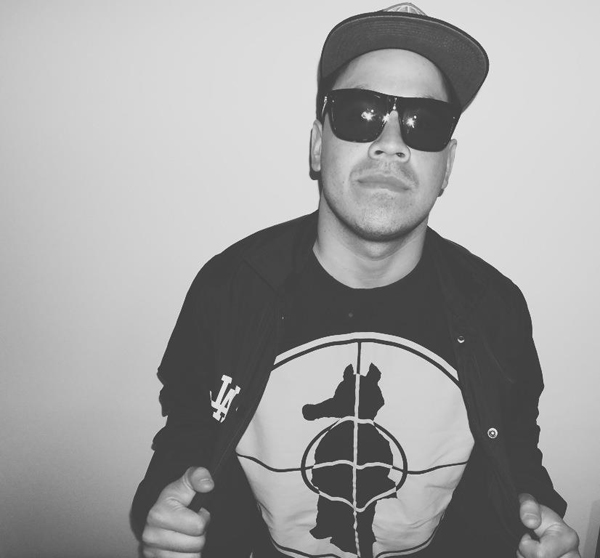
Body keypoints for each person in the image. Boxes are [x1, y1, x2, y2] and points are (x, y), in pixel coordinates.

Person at [131, 4, 581, 558]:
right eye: (360, 112)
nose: (391, 143)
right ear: (318, 144)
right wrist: (167, 512)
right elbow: (190, 433)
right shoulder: (229, 289)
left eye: (424, 123)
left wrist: (537, 518)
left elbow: (515, 453)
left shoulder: (496, 308)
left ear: (447, 165)